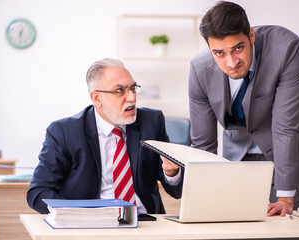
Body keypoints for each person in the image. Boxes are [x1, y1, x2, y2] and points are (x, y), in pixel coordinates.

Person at [188, 1, 299, 217]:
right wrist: (200, 200)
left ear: (251, 36)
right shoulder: (200, 70)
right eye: (219, 53)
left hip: (293, 151)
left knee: (285, 227)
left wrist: (284, 198)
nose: (231, 62)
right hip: (239, 155)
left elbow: (285, 127)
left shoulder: (288, 50)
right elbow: (203, 144)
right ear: (209, 49)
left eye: (238, 48)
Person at [27, 58, 182, 214]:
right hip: (89, 225)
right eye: (120, 90)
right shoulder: (64, 132)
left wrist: (172, 173)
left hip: (145, 222)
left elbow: (176, 191)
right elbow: (38, 192)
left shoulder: (152, 122)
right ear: (97, 98)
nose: (132, 98)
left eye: (133, 88)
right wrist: (82, 215)